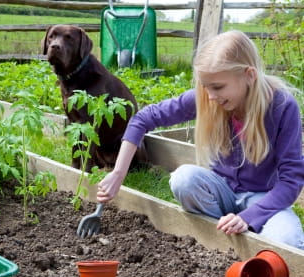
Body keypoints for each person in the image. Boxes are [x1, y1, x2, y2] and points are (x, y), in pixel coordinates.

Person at [96, 30, 304, 249]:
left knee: (290, 241)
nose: (211, 96)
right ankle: (223, 240)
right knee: (184, 179)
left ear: (249, 75)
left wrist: (250, 216)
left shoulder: (281, 107)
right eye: (206, 87)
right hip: (218, 190)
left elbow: (291, 180)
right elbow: (143, 118)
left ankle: (241, 229)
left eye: (218, 87)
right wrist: (118, 174)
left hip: (262, 199)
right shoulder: (208, 98)